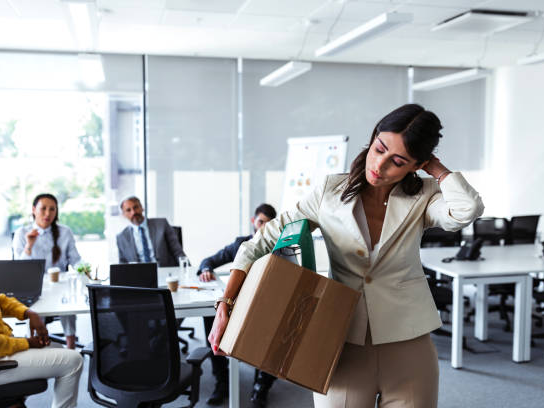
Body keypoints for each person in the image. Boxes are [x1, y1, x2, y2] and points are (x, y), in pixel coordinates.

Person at [208, 104, 485, 408]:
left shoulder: (424, 195)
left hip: (409, 346)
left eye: (398, 161)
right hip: (340, 343)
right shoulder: (330, 191)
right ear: (373, 137)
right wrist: (226, 303)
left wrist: (436, 169)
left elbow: (466, 210)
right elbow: (257, 244)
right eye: (379, 148)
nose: (380, 165)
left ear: (415, 165)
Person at [0, 220, 83, 408]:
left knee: (57, 349)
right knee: (74, 361)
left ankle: (13, 402)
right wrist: (28, 343)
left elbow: (0, 300)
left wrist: (29, 313)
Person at [198, 203, 278, 406]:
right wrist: (206, 268)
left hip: (267, 305)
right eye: (260, 222)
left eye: (268, 224)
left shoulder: (282, 247)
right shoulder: (241, 244)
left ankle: (262, 386)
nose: (263, 228)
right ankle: (222, 380)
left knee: (277, 325)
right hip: (239, 306)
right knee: (211, 316)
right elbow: (209, 260)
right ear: (253, 222)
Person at [13, 193, 81, 349]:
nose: (47, 213)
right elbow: (19, 268)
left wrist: (85, 271)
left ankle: (71, 346)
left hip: (59, 283)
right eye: (43, 208)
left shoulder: (65, 232)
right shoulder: (22, 233)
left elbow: (76, 260)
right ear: (33, 210)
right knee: (36, 308)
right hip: (34, 285)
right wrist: (29, 245)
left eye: (52, 209)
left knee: (69, 301)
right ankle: (38, 343)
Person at [116, 196, 187, 266]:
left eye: (135, 207)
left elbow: (178, 252)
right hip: (138, 274)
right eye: (128, 210)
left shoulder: (162, 224)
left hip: (164, 273)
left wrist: (188, 272)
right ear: (124, 214)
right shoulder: (121, 237)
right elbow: (122, 264)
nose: (133, 212)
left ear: (142, 207)